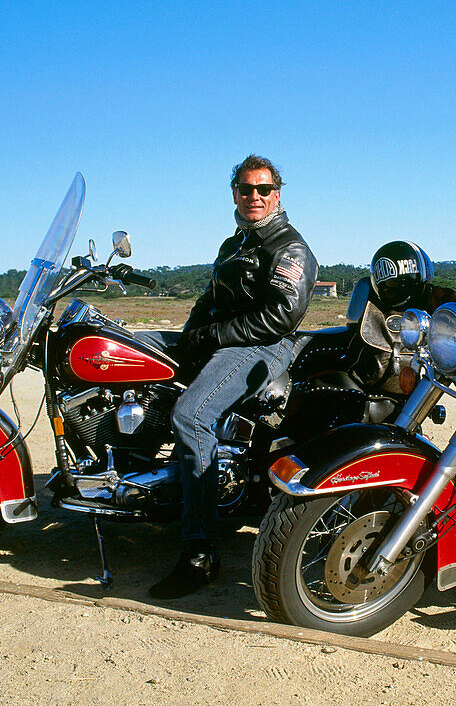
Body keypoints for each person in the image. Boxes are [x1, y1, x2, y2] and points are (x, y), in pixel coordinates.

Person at [139, 155, 317, 599]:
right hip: (222, 340)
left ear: (277, 194)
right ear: (234, 193)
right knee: (131, 349)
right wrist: (186, 338)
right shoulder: (233, 245)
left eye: (262, 189)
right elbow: (208, 298)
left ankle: (200, 552)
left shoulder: (288, 247)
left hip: (260, 347)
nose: (253, 196)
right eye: (244, 189)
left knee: (192, 415)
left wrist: (212, 336)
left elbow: (280, 315)